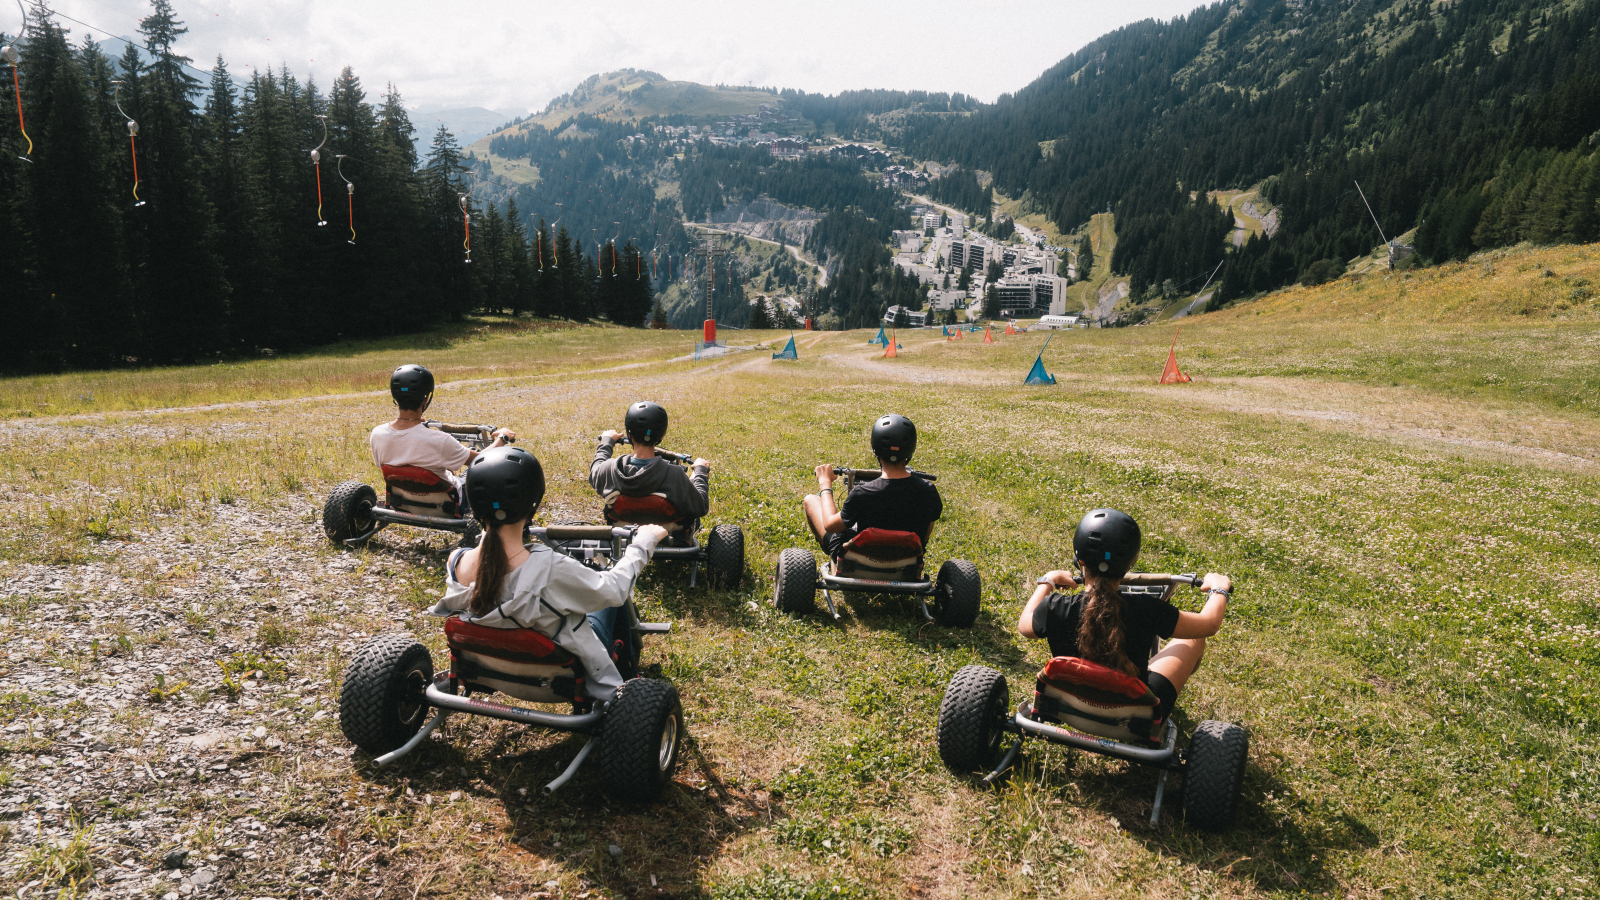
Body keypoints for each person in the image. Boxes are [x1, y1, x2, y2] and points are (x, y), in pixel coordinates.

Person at [432, 446, 669, 702]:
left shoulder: (456, 562)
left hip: (486, 670)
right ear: (532, 501)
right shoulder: (548, 569)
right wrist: (643, 543)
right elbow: (614, 590)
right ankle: (626, 687)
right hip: (558, 680)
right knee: (609, 592)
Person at [1018, 508, 1232, 724]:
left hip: (1067, 704)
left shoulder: (1056, 607)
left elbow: (1025, 625)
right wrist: (1219, 589)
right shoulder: (1148, 608)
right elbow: (1209, 624)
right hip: (1136, 716)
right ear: (1131, 562)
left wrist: (1048, 581)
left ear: (1079, 559)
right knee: (1194, 637)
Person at [369, 364, 514, 513]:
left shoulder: (377, 433)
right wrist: (502, 437)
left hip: (401, 502)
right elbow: (481, 460)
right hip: (449, 505)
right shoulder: (440, 440)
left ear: (395, 396)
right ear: (426, 399)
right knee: (474, 466)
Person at [802, 414, 943, 558]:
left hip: (859, 561)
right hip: (907, 560)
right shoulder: (928, 491)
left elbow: (831, 526)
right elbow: (925, 534)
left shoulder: (862, 493)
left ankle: (835, 560)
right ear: (910, 449)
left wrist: (825, 483)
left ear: (876, 449)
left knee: (810, 500)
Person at [589, 401, 710, 532]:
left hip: (622, 538)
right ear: (660, 437)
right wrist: (701, 473)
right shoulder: (675, 475)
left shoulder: (609, 469)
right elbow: (700, 507)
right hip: (669, 539)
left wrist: (607, 442)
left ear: (629, 435)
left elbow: (596, 468)